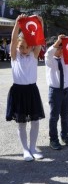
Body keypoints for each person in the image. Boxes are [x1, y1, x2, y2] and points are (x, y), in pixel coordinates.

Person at [6, 14, 45, 161]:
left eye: (27, 46)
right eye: (21, 46)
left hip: (31, 90)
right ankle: (25, 150)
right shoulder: (14, 56)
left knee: (35, 121)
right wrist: (17, 23)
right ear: (16, 47)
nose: (24, 49)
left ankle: (33, 147)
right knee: (21, 122)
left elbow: (39, 40)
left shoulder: (34, 55)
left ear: (31, 47)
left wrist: (40, 23)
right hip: (18, 91)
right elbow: (14, 38)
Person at [45, 34, 68, 150]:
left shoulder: (65, 58)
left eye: (62, 48)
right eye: (59, 48)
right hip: (56, 91)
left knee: (65, 115)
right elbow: (48, 53)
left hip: (67, 89)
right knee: (54, 116)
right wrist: (57, 42)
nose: (61, 50)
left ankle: (65, 136)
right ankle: (53, 139)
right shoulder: (50, 59)